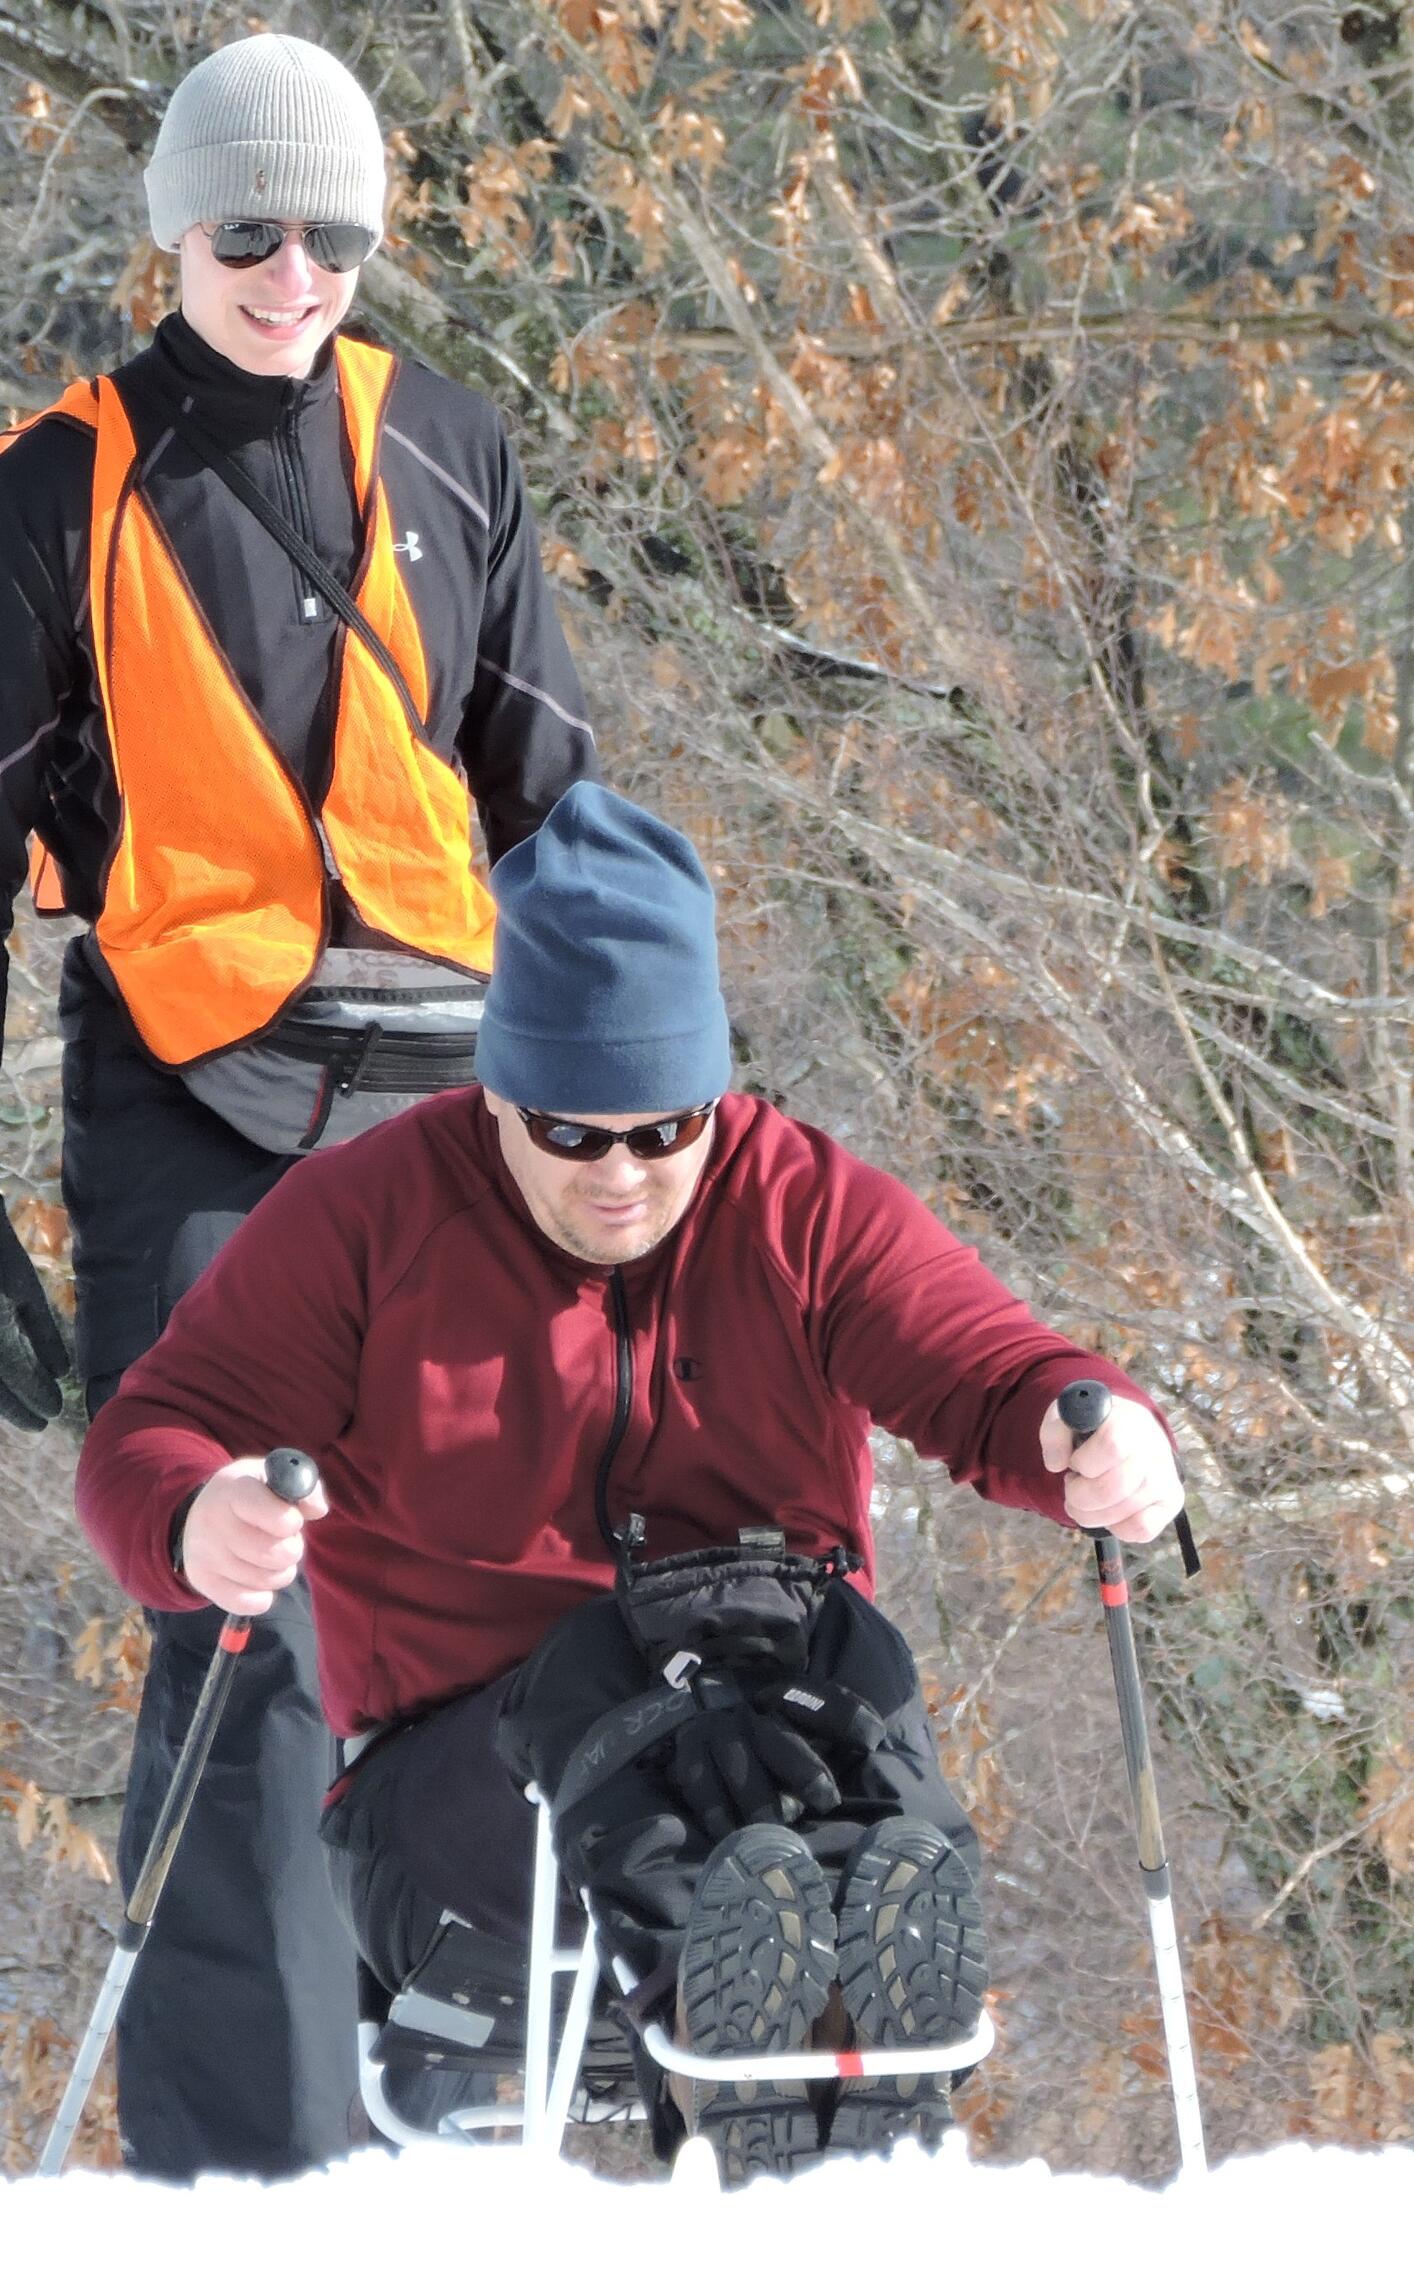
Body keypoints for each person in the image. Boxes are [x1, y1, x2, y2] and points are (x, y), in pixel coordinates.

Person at [75, 784, 1185, 2185]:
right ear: (495, 1091)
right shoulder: (364, 1220)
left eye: (664, 1132)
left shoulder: (799, 1206)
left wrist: (1093, 1431)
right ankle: (749, 2041)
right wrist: (195, 1512)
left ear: (714, 1095)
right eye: (572, 1134)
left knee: (831, 1654)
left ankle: (873, 1987)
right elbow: (157, 1431)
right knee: (614, 1669)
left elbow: (985, 1368)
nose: (621, 1177)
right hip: (458, 1802)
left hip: (771, 1733)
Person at [0, 33, 596, 2180]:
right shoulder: (63, 482)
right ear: (175, 231)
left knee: (506, 1593)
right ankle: (252, 2176)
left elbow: (571, 838)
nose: (295, 274)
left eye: (337, 236)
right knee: (239, 1614)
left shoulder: (459, 451)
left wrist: (663, 1156)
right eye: (248, 232)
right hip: (186, 1109)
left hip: (450, 1107)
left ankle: (474, 2101)